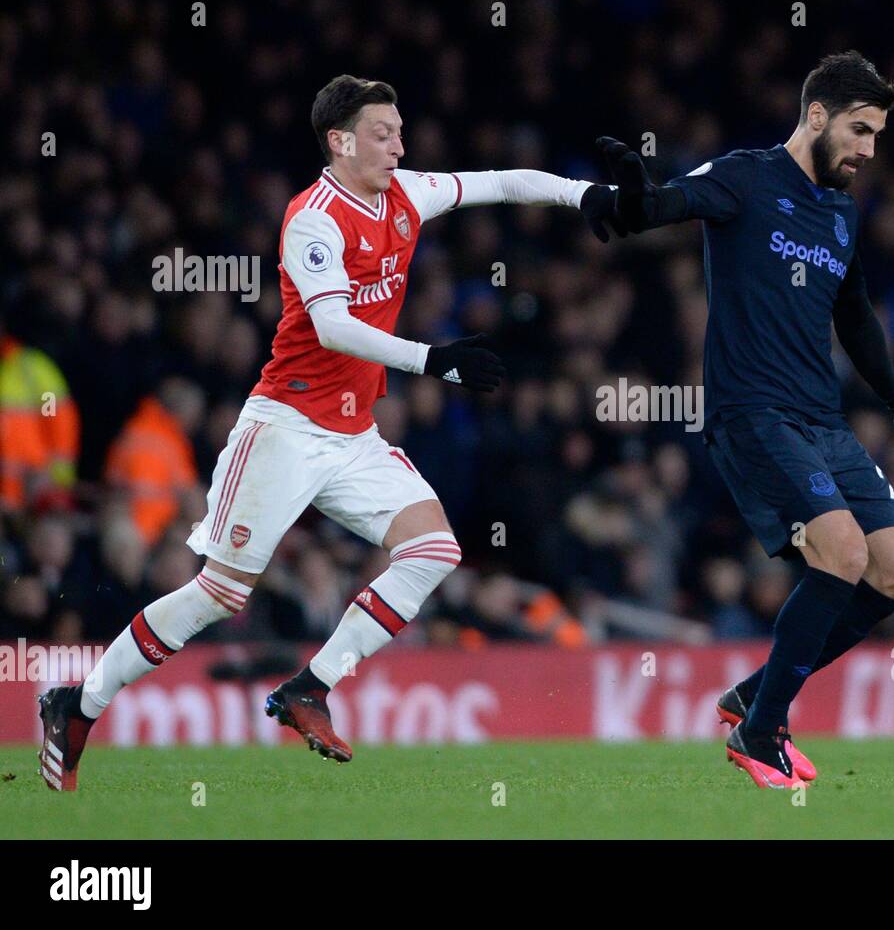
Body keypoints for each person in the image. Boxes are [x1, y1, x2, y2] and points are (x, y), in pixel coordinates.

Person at [38, 74, 617, 790]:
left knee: (434, 549)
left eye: (402, 130)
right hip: (284, 428)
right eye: (384, 133)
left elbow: (501, 181)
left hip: (353, 435)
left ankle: (311, 685)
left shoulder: (407, 194)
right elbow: (331, 325)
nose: (400, 145)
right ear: (340, 142)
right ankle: (78, 703)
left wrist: (582, 194)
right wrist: (433, 360)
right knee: (218, 594)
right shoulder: (314, 217)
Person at [587, 52, 894, 788]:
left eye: (877, 135)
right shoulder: (744, 176)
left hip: (825, 420)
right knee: (839, 552)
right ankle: (760, 729)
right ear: (816, 115)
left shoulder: (840, 210)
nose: (870, 150)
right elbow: (661, 208)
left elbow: (857, 316)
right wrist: (633, 191)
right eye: (860, 130)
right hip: (753, 412)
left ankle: (758, 693)